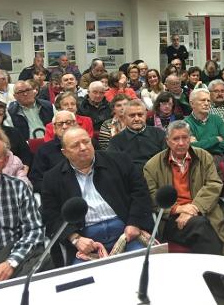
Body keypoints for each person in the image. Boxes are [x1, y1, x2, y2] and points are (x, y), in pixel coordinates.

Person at [143, 120, 224, 302]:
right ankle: (223, 278)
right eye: (176, 139)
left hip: (203, 213)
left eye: (185, 138)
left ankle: (210, 282)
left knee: (201, 225)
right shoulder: (152, 165)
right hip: (171, 221)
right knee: (201, 226)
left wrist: (194, 207)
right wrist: (177, 208)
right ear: (167, 141)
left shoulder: (203, 156)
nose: (181, 143)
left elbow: (215, 183)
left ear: (190, 139)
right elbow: (151, 197)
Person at [42, 127, 153, 264]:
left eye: (86, 142)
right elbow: (51, 215)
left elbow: (140, 192)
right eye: (75, 145)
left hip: (126, 230)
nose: (83, 147)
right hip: (85, 239)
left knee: (145, 266)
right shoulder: (52, 178)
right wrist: (74, 238)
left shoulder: (119, 161)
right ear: (64, 152)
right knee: (84, 280)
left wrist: (135, 222)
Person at [0, 136, 46, 283]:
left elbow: (34, 230)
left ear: (6, 161)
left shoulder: (18, 188)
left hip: (14, 263)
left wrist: (11, 263)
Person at [107, 99, 166, 172]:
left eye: (140, 115)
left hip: (157, 176)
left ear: (146, 115)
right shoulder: (116, 141)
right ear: (125, 117)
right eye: (132, 115)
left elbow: (166, 160)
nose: (137, 119)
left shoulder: (159, 134)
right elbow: (114, 166)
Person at [29, 110, 79, 193]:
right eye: (60, 124)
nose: (65, 126)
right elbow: (36, 182)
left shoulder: (87, 143)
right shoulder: (44, 150)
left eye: (68, 122)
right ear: (54, 129)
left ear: (75, 124)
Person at [184, 88, 224, 168]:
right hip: (198, 159)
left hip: (219, 156)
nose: (206, 103)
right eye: (202, 100)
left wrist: (203, 143)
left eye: (208, 101)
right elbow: (192, 147)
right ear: (192, 104)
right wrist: (216, 139)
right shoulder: (186, 123)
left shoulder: (216, 119)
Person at [0, 100, 33, 167]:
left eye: (0, 113)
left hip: (15, 170)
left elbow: (26, 155)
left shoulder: (14, 132)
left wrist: (25, 168)